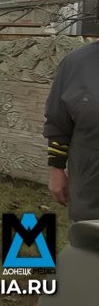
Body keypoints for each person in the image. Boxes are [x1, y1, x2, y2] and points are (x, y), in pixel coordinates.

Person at [44, 41, 99, 222]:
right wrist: (56, 169)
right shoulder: (75, 64)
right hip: (90, 192)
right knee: (89, 238)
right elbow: (58, 122)